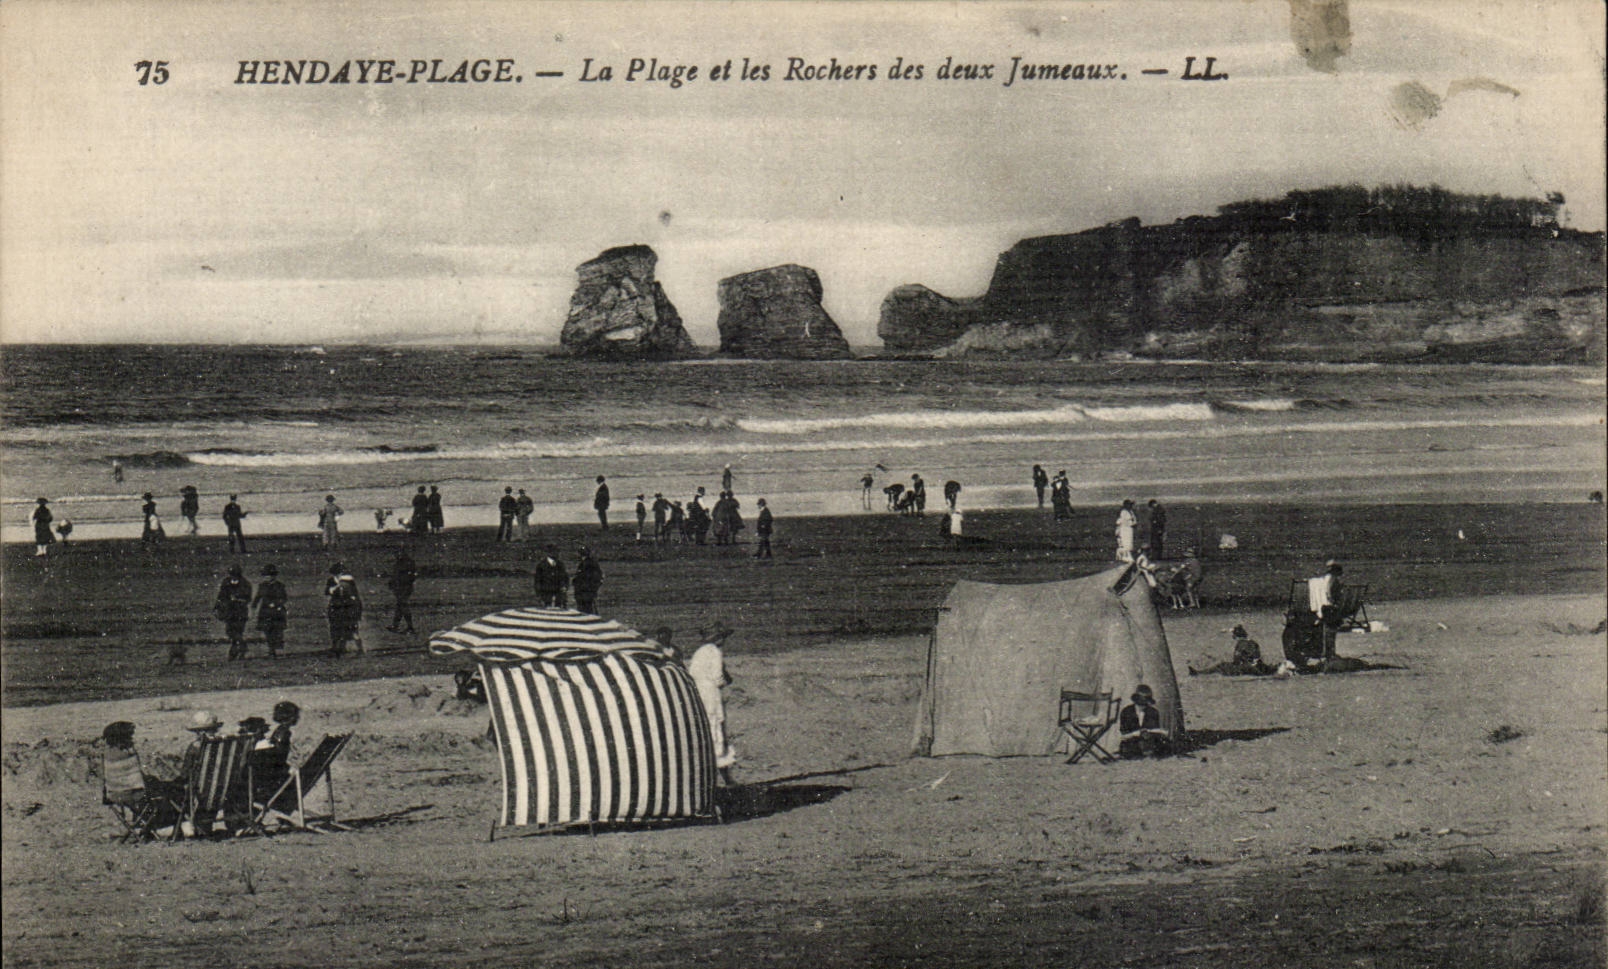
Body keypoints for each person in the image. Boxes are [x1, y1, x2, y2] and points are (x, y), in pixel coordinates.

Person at [688, 626, 738, 785]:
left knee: (705, 731)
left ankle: (716, 777)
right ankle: (723, 779)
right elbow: (718, 678)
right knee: (716, 732)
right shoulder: (714, 652)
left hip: (698, 694)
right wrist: (725, 680)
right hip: (710, 695)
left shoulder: (699, 653)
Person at [1190, 625, 1276, 676]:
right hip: (1257, 665)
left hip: (1245, 667)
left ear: (1236, 636)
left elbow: (1237, 659)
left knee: (1221, 665)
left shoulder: (1241, 644)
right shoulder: (1253, 642)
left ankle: (1200, 673)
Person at [1118, 685, 1171, 759]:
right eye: (1140, 704)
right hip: (1131, 743)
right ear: (1135, 702)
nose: (1142, 706)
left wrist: (1151, 732)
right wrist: (1134, 734)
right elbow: (1123, 735)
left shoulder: (1153, 712)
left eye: (1145, 704)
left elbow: (1156, 730)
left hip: (1149, 742)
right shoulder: (1126, 712)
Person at [324, 562, 363, 656]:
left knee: (350, 629)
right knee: (336, 628)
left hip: (346, 608)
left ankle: (356, 648)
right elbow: (327, 591)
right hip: (337, 607)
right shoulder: (334, 581)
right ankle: (339, 647)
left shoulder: (347, 582)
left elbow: (352, 596)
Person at [215, 565, 254, 660]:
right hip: (229, 611)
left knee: (238, 631)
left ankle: (234, 652)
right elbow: (220, 596)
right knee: (230, 631)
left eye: (235, 575)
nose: (233, 577)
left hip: (240, 611)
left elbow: (248, 598)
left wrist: (237, 599)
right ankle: (241, 648)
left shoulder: (245, 584)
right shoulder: (226, 582)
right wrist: (217, 608)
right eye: (232, 575)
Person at [252, 564, 288, 658]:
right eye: (266, 575)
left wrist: (276, 604)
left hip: (277, 612)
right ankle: (271, 650)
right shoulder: (262, 586)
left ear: (274, 576)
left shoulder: (280, 586)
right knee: (267, 631)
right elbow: (258, 597)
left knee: (277, 631)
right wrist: (254, 605)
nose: (268, 577)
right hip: (265, 612)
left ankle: (278, 650)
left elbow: (284, 598)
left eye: (270, 575)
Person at [385, 549, 418, 633]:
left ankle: (410, 627)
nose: (396, 556)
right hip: (400, 587)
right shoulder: (401, 563)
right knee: (400, 606)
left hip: (404, 587)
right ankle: (396, 626)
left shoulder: (406, 563)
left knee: (403, 606)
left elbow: (408, 577)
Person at [573, 547, 603, 614]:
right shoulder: (586, 563)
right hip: (584, 591)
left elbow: (596, 577)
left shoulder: (588, 564)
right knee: (586, 609)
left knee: (585, 609)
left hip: (586, 591)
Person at [1115, 499, 1137, 563]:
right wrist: (1132, 523)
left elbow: (1134, 520)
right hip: (1125, 529)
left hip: (1129, 529)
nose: (1131, 506)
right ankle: (1125, 557)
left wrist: (1134, 523)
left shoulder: (1130, 511)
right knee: (1126, 543)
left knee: (1129, 543)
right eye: (1130, 504)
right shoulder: (1124, 512)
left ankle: (1127, 556)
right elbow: (1125, 522)